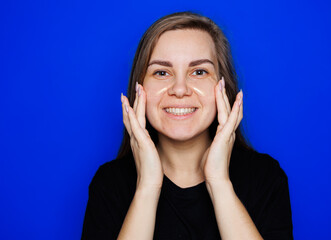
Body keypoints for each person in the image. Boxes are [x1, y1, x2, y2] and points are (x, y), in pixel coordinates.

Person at [81, 11, 293, 240]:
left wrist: (219, 182)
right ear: (139, 88)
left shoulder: (265, 178)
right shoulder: (109, 185)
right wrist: (148, 186)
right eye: (162, 72)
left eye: (199, 71)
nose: (180, 89)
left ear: (224, 87)